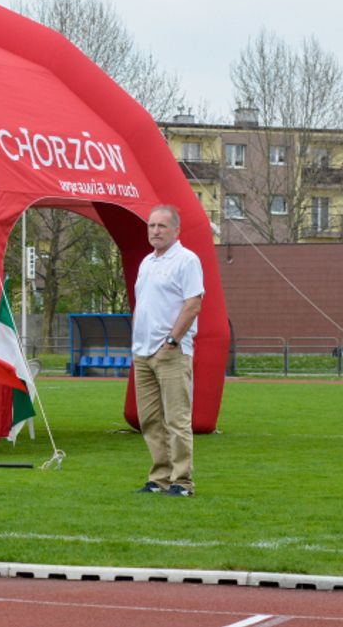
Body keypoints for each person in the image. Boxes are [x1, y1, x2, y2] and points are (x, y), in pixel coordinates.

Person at [131, 205, 203, 498]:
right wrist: (136, 342)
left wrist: (171, 342)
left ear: (176, 230)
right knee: (149, 420)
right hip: (143, 352)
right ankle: (159, 477)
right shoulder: (147, 262)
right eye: (151, 226)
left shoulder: (187, 260)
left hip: (172, 352)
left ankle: (182, 481)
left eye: (161, 226)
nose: (155, 231)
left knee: (177, 419)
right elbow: (142, 305)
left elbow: (193, 304)